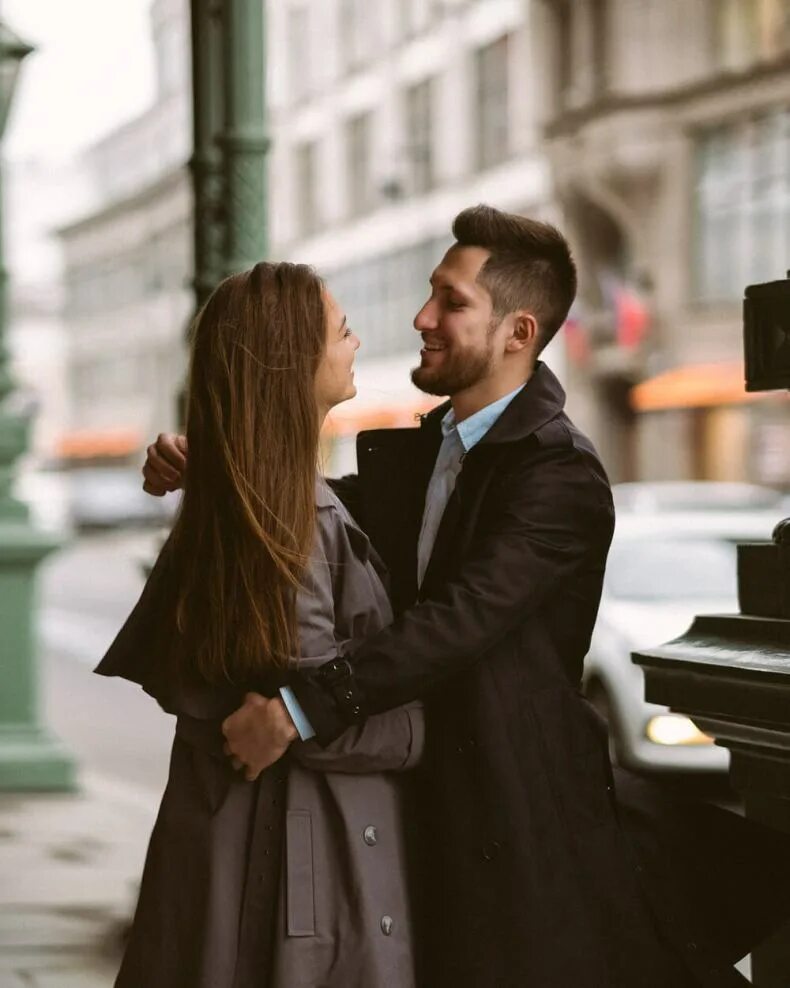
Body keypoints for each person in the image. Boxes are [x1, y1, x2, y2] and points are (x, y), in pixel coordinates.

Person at [143, 207, 790, 988]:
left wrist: (296, 710)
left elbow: (458, 622)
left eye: (451, 301)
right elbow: (307, 510)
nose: (423, 318)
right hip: (418, 812)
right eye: (430, 294)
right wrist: (213, 462)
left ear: (517, 332)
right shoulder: (426, 454)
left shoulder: (559, 477)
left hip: (514, 826)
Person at [98, 261, 426, 988]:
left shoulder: (247, 503)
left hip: (242, 851)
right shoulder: (292, 516)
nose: (357, 343)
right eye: (342, 331)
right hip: (305, 861)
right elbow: (298, 699)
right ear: (293, 359)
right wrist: (419, 728)